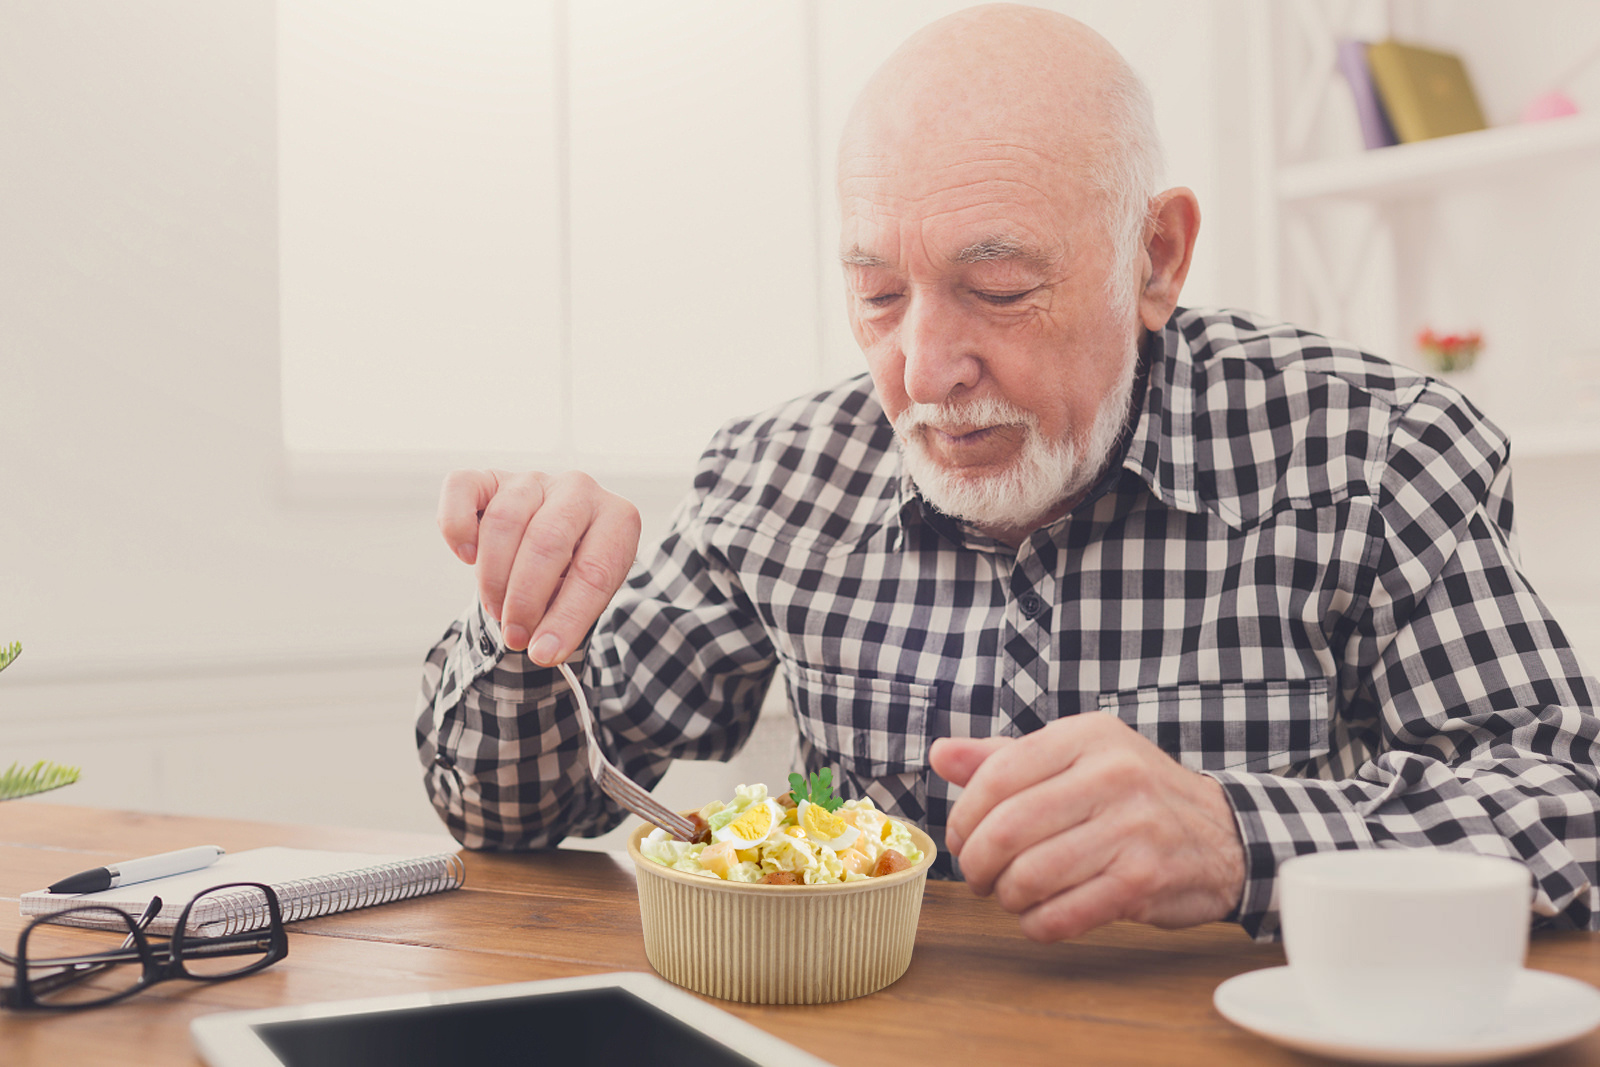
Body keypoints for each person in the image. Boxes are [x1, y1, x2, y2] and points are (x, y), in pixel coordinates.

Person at [416, 4, 1600, 942]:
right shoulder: (775, 477)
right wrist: (526, 624)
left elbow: (1567, 809)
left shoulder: (1371, 451)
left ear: (1155, 255)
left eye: (999, 288)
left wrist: (1241, 837)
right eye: (876, 293)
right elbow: (512, 814)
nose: (923, 369)